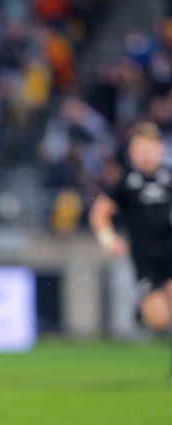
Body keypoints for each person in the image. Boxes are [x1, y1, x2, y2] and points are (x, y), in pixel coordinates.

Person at [89, 121, 172, 338]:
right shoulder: (126, 182)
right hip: (144, 258)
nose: (145, 154)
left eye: (149, 148)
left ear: (159, 148)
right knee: (159, 320)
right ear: (131, 153)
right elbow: (100, 211)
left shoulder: (170, 177)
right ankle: (141, 310)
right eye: (140, 149)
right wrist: (108, 239)